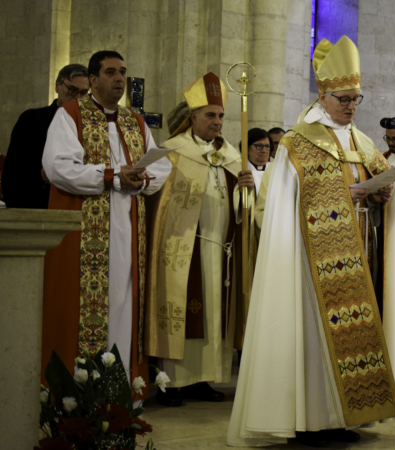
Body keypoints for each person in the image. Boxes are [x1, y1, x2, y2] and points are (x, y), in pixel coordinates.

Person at [227, 35, 395, 447]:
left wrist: (379, 193)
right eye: (344, 98)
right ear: (323, 94)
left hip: (361, 249)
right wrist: (348, 195)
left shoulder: (361, 141)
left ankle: (344, 416)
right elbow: (279, 205)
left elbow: (375, 181)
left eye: (356, 98)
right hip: (310, 263)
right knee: (313, 340)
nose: (352, 105)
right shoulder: (297, 143)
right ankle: (309, 420)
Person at [40, 51, 172, 390]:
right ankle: (79, 395)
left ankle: (122, 392)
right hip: (84, 237)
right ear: (94, 79)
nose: (119, 78)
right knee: (81, 308)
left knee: (126, 302)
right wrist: (113, 176)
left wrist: (141, 180)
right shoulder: (70, 115)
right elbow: (59, 168)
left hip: (129, 231)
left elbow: (160, 167)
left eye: (123, 72)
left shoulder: (135, 122)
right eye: (110, 72)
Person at [144, 72, 255, 407]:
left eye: (221, 116)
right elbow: (159, 207)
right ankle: (172, 382)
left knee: (214, 317)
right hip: (183, 250)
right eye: (211, 115)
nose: (218, 122)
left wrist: (246, 189)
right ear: (192, 117)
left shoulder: (233, 156)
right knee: (184, 313)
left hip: (222, 251)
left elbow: (244, 208)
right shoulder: (172, 152)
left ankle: (203, 378)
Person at [2, 64, 89, 209]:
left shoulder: (89, 126)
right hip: (39, 203)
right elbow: (14, 170)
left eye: (83, 93)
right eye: (72, 90)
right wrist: (40, 173)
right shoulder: (33, 119)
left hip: (78, 205)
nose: (77, 98)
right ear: (57, 85)